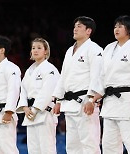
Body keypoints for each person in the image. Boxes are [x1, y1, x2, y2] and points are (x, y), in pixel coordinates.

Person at [92, 15, 130, 154]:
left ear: (129, 29)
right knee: (109, 144)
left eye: (120, 26)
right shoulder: (108, 48)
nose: (116, 29)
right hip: (110, 102)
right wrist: (97, 94)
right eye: (115, 26)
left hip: (129, 99)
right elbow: (102, 75)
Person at [52, 16, 103, 154]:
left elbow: (97, 76)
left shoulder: (94, 49)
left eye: (79, 26)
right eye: (75, 26)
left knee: (89, 144)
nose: (75, 28)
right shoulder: (70, 51)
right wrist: (58, 100)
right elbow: (63, 76)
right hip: (69, 104)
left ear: (88, 31)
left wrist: (92, 99)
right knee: (72, 146)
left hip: (85, 102)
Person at [16, 37, 60, 154]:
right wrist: (24, 107)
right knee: (33, 149)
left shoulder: (50, 69)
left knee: (47, 149)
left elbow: (48, 92)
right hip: (30, 113)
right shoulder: (29, 71)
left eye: (39, 48)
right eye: (33, 48)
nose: (35, 50)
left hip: (44, 113)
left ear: (46, 51)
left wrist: (35, 109)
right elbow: (23, 90)